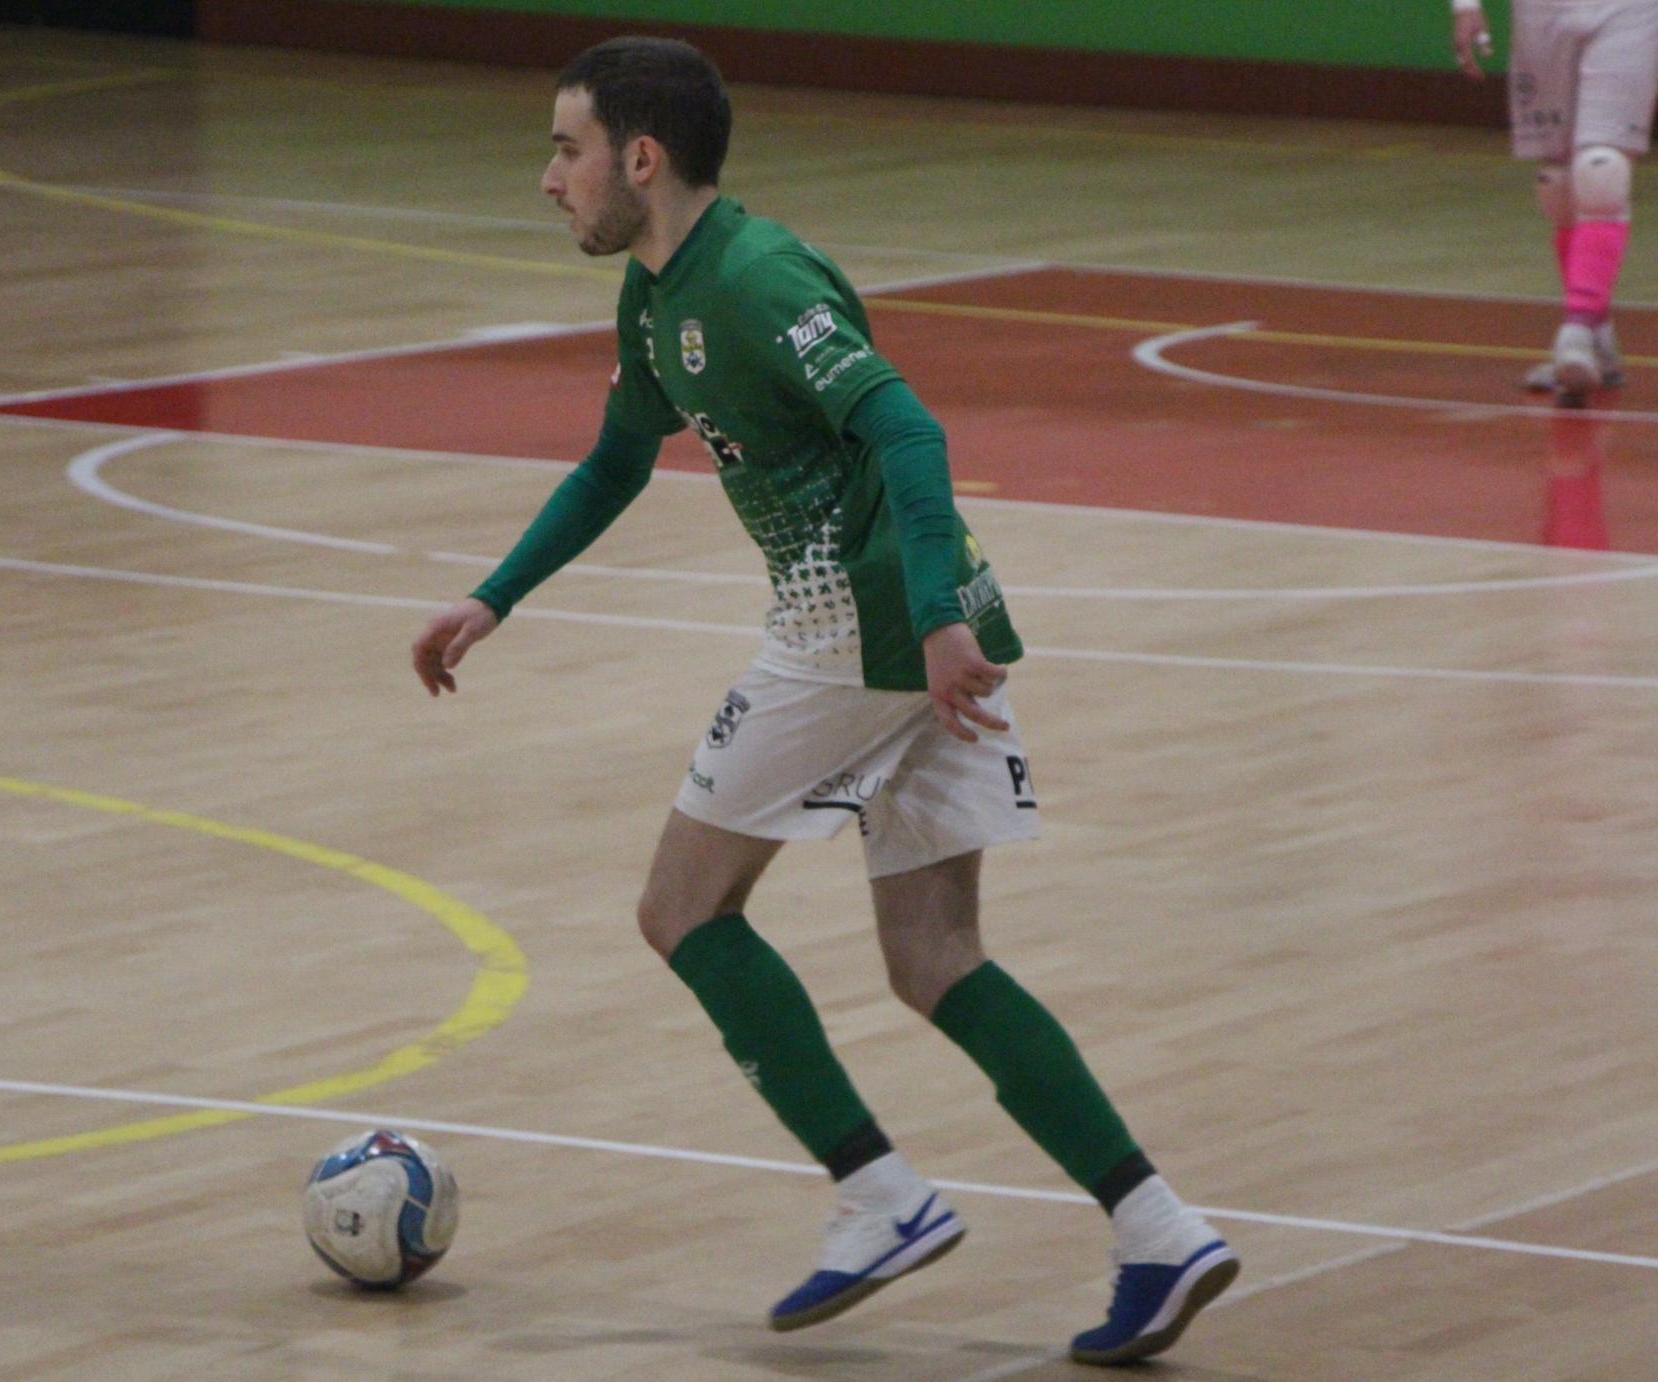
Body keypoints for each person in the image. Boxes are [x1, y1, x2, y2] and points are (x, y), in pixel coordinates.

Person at [410, 36, 1237, 1368]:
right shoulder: (654, 296)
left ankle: (880, 1195)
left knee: (680, 909)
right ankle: (1160, 1230)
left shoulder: (755, 279)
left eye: (566, 150)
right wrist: (493, 596)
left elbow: (905, 428)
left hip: (863, 623)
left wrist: (934, 617)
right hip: (925, 625)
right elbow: (616, 461)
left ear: (640, 157)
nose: (548, 178)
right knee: (935, 957)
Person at [1451, 0, 1658, 395]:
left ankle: (1575, 330)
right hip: (1540, 14)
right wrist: (1465, 6)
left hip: (1630, 10)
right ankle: (1597, 335)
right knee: (1557, 186)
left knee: (1601, 172)